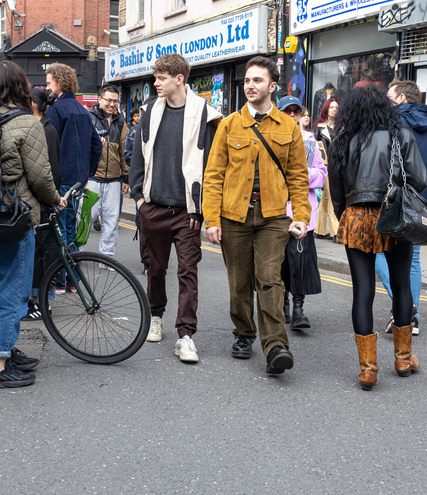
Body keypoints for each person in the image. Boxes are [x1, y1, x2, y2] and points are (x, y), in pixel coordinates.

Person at [203, 56, 311, 375]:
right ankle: (243, 333)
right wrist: (211, 219)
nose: (250, 85)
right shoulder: (229, 125)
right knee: (239, 283)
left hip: (273, 217)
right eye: (247, 80)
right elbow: (213, 176)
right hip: (233, 216)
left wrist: (301, 215)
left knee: (270, 280)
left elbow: (298, 177)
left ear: (272, 86)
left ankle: (276, 345)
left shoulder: (288, 126)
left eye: (257, 80)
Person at [0, 61, 67, 389]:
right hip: (12, 220)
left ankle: (5, 351)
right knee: (12, 292)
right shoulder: (27, 122)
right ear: (21, 87)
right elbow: (41, 178)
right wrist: (56, 199)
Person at [329, 85, 427, 391]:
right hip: (393, 217)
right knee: (401, 286)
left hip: (356, 217)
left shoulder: (342, 141)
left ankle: (368, 370)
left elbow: (336, 192)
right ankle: (402, 358)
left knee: (363, 291)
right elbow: (421, 181)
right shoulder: (402, 136)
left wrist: (346, 213)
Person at [130, 53, 222, 362]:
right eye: (155, 77)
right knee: (155, 270)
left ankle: (185, 335)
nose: (156, 83)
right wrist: (139, 200)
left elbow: (211, 166)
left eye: (161, 78)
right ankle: (156, 315)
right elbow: (139, 158)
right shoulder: (149, 112)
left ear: (179, 79)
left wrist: (202, 210)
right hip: (153, 208)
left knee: (188, 273)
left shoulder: (205, 115)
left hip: (187, 212)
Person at [377, 79, 427, 336]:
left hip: (397, 199)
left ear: (400, 99)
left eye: (389, 95)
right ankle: (411, 316)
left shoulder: (392, 122)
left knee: (377, 252)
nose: (386, 100)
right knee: (414, 259)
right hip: (424, 199)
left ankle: (406, 307)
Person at [46, 63, 102, 286]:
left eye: (49, 83)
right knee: (69, 227)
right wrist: (87, 173)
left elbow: (51, 146)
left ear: (59, 83)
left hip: (60, 179)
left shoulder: (55, 110)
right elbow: (96, 146)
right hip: (78, 179)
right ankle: (72, 279)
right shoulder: (82, 110)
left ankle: (62, 280)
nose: (48, 87)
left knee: (60, 231)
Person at [277, 96, 327, 328]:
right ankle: (283, 306)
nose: (292, 115)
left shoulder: (309, 140)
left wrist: (300, 174)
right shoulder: (271, 137)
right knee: (279, 262)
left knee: (300, 261)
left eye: (295, 111)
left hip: (302, 213)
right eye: (287, 111)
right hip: (276, 212)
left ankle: (298, 309)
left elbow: (321, 174)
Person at [24, 88, 62, 321]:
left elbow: (52, 170)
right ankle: (38, 299)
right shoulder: (41, 128)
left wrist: (52, 198)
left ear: (33, 104)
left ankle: (41, 301)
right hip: (42, 198)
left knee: (43, 252)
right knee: (40, 252)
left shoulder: (46, 130)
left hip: (43, 200)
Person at [87, 85, 129, 262]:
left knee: (111, 221)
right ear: (99, 99)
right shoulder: (89, 118)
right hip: (92, 178)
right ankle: (75, 254)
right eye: (108, 100)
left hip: (113, 180)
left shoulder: (120, 121)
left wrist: (125, 177)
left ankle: (107, 258)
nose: (112, 104)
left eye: (115, 101)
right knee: (85, 219)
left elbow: (124, 150)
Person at [314, 98, 340, 240]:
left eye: (336, 107)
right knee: (327, 197)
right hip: (324, 167)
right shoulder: (319, 127)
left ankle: (325, 230)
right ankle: (331, 231)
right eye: (331, 107)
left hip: (337, 167)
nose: (334, 110)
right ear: (326, 109)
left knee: (328, 198)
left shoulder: (342, 127)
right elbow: (317, 148)